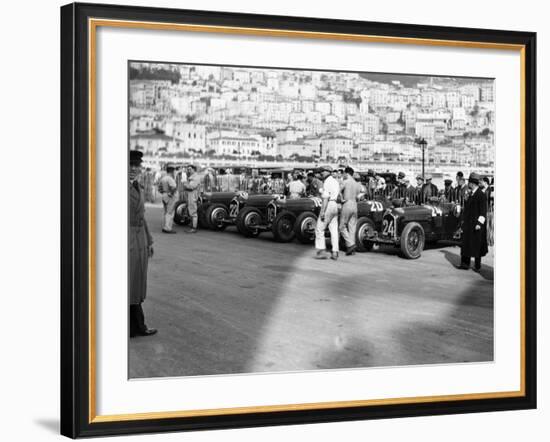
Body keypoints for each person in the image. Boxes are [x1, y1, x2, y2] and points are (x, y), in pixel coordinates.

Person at [129, 150, 157, 338]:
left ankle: (136, 326)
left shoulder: (136, 186)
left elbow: (142, 217)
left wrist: (149, 240)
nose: (133, 169)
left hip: (138, 240)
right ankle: (136, 326)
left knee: (135, 283)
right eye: (130, 165)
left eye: (136, 165)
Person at [458, 172, 488, 271]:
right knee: (466, 244)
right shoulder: (470, 194)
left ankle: (477, 266)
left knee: (477, 246)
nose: (468, 184)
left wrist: (479, 223)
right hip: (468, 224)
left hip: (476, 225)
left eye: (469, 183)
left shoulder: (481, 195)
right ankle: (465, 264)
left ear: (472, 183)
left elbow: (483, 212)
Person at [314, 165, 341, 260]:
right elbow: (339, 195)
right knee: (334, 230)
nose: (321, 173)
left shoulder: (327, 182)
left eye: (322, 171)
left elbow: (325, 198)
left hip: (329, 204)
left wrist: (322, 212)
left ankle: (321, 251)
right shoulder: (335, 181)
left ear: (327, 172)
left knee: (319, 228)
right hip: (335, 205)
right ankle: (335, 251)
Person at [339, 166, 362, 255]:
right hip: (354, 204)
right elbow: (358, 194)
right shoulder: (357, 184)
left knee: (341, 227)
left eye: (344, 173)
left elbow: (337, 191)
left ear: (346, 173)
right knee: (352, 227)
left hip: (347, 203)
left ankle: (350, 244)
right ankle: (352, 247)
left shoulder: (345, 181)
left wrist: (341, 199)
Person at [158, 164, 178, 233]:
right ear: (172, 171)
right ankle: (168, 228)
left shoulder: (163, 178)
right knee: (170, 212)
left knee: (166, 212)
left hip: (164, 194)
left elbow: (159, 188)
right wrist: (171, 193)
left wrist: (164, 193)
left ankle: (165, 226)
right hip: (170, 196)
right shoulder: (170, 178)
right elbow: (174, 187)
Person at [183, 164, 201, 233]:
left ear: (194, 169)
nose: (189, 170)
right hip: (190, 195)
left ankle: (194, 228)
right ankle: (192, 225)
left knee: (193, 211)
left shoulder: (196, 177)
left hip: (193, 195)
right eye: (188, 169)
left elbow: (191, 187)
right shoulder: (192, 177)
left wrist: (185, 183)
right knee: (190, 210)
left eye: (190, 169)